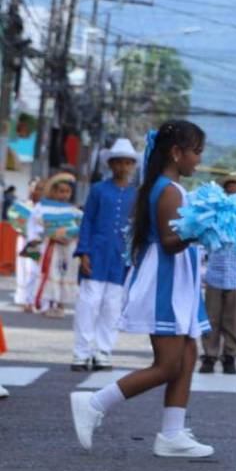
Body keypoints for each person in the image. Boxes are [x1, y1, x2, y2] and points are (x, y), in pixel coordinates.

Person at [69, 120, 214, 459]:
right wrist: (204, 228)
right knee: (167, 365)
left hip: (177, 281)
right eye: (196, 152)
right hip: (165, 282)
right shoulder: (168, 190)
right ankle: (94, 402)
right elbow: (169, 242)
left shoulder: (167, 187)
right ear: (176, 153)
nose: (199, 159)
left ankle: (172, 433)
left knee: (188, 355)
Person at [72, 139, 139, 371]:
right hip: (96, 253)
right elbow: (87, 221)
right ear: (110, 164)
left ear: (133, 165)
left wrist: (135, 254)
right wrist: (84, 251)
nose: (123, 166)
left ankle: (103, 351)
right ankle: (81, 353)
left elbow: (138, 227)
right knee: (88, 303)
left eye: (128, 162)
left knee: (112, 306)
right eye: (118, 162)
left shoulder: (137, 195)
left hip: (121, 257)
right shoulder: (98, 190)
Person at [199, 173, 236, 375]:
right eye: (230, 191)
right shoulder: (214, 217)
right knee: (211, 318)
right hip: (215, 274)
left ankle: (230, 356)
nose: (233, 195)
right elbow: (205, 242)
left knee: (233, 320)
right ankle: (209, 356)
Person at [30, 172, 82, 317]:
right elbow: (36, 228)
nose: (64, 195)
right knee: (50, 272)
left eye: (67, 191)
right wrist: (52, 236)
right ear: (53, 191)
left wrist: (72, 237)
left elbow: (80, 227)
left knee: (66, 273)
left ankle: (61, 304)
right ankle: (47, 304)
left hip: (69, 247)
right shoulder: (42, 208)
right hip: (50, 247)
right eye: (61, 191)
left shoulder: (74, 211)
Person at [12, 178, 42, 312]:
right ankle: (24, 298)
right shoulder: (23, 205)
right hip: (27, 240)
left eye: (40, 189)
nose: (37, 191)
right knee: (24, 268)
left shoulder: (45, 207)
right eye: (35, 188)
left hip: (40, 242)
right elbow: (16, 220)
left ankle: (34, 299)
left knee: (35, 271)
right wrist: (21, 230)